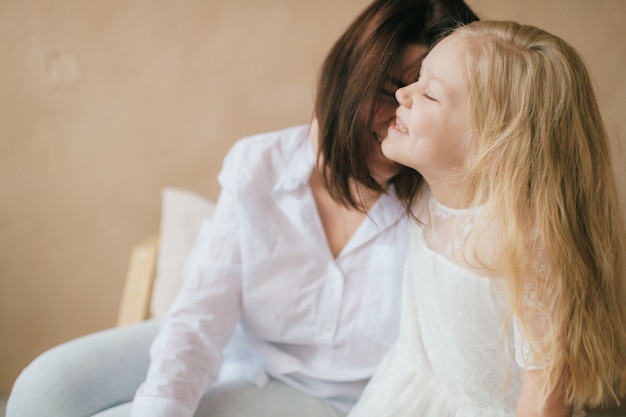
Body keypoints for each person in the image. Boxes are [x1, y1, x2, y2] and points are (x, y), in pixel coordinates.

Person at [6, 1, 479, 417]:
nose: (402, 116)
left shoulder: (438, 207)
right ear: (351, 76)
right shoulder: (259, 165)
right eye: (388, 90)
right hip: (240, 349)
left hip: (328, 399)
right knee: (42, 391)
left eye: (427, 99)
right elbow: (199, 317)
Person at [346, 20, 626, 417]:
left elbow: (544, 393)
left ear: (492, 146)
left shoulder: (526, 243)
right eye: (417, 79)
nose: (402, 94)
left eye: (430, 94)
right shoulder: (420, 190)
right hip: (410, 392)